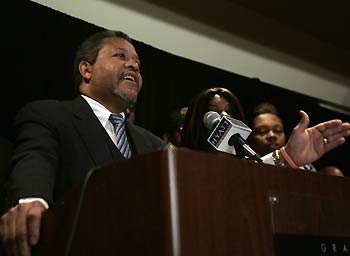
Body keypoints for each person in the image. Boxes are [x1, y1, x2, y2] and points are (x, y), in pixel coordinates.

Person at [0, 30, 166, 255]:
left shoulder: (156, 145)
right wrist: (31, 202)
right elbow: (35, 160)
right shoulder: (50, 116)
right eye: (120, 56)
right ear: (86, 70)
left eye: (137, 63)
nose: (134, 66)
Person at [181, 87, 350, 168]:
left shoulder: (245, 164)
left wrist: (288, 156)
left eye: (229, 112)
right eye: (213, 113)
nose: (224, 117)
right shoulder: (183, 161)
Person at [248, 102, 345, 175]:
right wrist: (285, 158)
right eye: (262, 131)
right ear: (250, 137)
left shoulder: (305, 167)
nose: (272, 135)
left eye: (277, 130)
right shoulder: (243, 164)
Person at [181, 87, 246, 153]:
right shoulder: (184, 155)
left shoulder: (245, 161)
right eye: (214, 111)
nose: (225, 115)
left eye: (229, 110)